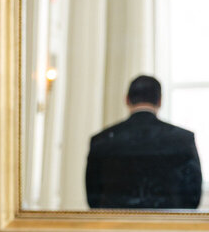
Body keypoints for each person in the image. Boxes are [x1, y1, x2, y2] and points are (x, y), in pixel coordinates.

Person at [85, 75, 202, 209]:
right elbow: (193, 197)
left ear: (127, 99)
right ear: (159, 101)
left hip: (116, 226)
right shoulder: (183, 140)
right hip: (168, 226)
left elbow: (93, 198)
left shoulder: (101, 140)